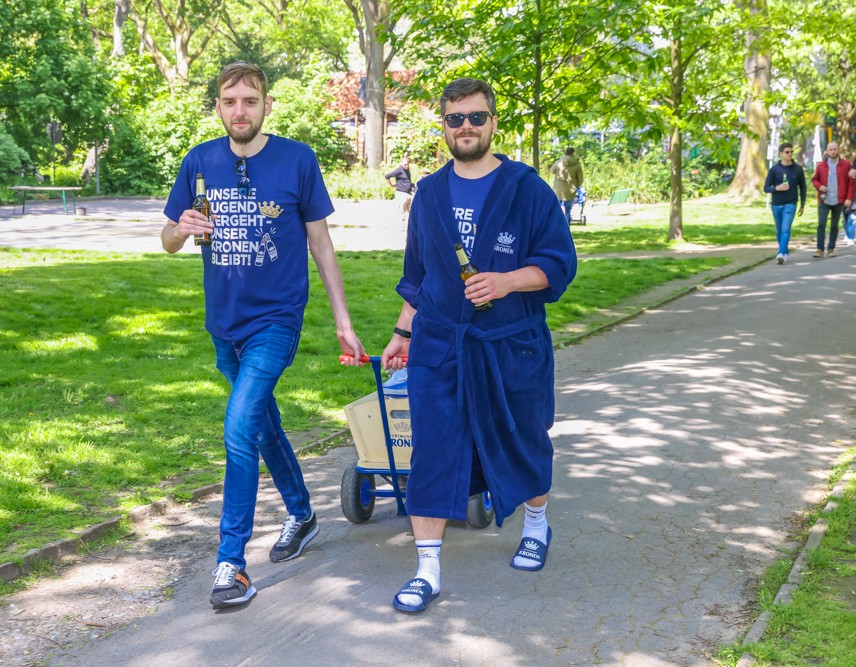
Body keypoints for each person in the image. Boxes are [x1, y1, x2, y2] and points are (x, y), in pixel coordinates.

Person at [161, 61, 366, 609]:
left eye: (250, 101)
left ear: (266, 104)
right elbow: (166, 240)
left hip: (277, 318)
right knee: (262, 421)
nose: (240, 111)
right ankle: (301, 513)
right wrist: (180, 228)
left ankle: (231, 564)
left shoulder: (297, 159)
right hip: (223, 324)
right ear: (219, 108)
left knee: (237, 427)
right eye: (230, 102)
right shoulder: (200, 161)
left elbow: (320, 245)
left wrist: (343, 322)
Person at [380, 78, 578, 613]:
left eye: (475, 117)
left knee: (523, 440)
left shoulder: (527, 189)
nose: (465, 127)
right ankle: (427, 570)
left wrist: (508, 281)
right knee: (433, 451)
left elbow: (561, 265)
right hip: (441, 346)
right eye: (455, 119)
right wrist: (402, 333)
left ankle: (536, 526)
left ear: (493, 122)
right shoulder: (429, 194)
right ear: (443, 127)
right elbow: (418, 275)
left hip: (509, 345)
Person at [763, 143, 806, 264]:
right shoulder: (774, 170)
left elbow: (803, 187)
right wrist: (777, 188)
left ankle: (781, 253)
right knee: (779, 230)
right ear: (781, 154)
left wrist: (802, 204)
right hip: (776, 204)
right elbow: (766, 188)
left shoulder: (797, 169)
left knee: (785, 228)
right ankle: (784, 251)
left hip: (790, 203)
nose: (790, 154)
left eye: (791, 152)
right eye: (787, 152)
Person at [811, 141, 854, 257]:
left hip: (839, 200)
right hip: (824, 200)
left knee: (834, 225)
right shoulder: (821, 166)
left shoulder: (846, 165)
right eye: (830, 149)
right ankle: (820, 249)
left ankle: (831, 249)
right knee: (821, 224)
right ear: (827, 151)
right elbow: (814, 180)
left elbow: (851, 183)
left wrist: (849, 198)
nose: (833, 151)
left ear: (838, 150)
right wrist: (820, 187)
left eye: (835, 149)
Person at [549, 147, 584, 224]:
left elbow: (552, 171)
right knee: (568, 210)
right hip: (571, 188)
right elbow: (580, 178)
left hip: (558, 188)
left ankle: (555, 224)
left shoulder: (559, 162)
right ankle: (567, 226)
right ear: (573, 153)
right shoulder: (577, 164)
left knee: (556, 208)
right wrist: (577, 186)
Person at [385, 153, 415, 228]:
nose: (407, 166)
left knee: (409, 213)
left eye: (408, 164)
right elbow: (387, 176)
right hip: (401, 193)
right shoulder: (399, 170)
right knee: (402, 212)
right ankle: (402, 228)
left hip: (408, 193)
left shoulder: (407, 169)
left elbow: (407, 180)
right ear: (401, 164)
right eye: (405, 165)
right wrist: (392, 185)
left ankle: (408, 229)